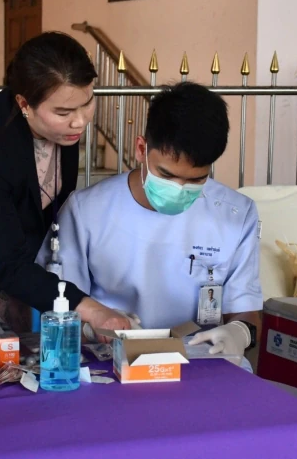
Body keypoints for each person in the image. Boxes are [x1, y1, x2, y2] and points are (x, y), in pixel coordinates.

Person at [41, 82, 262, 358]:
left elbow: (245, 309)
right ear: (141, 149)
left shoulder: (235, 215)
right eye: (167, 175)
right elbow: (60, 302)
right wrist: (92, 328)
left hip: (200, 359)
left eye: (196, 180)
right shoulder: (86, 211)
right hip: (112, 359)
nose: (180, 189)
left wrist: (240, 333)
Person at [0, 32, 131, 337]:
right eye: (64, 112)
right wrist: (89, 308)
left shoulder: (61, 131)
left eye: (87, 103)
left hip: (22, 285)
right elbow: (4, 259)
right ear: (24, 103)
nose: (79, 122)